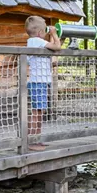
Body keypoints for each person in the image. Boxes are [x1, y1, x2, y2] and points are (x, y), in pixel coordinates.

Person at [25, 16, 61, 151]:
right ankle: (31, 141)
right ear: (40, 32)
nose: (47, 33)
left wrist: (50, 36)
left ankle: (37, 139)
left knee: (39, 111)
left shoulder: (35, 42)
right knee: (37, 112)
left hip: (40, 83)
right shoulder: (36, 41)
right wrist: (54, 34)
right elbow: (57, 47)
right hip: (38, 83)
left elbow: (51, 52)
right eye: (46, 31)